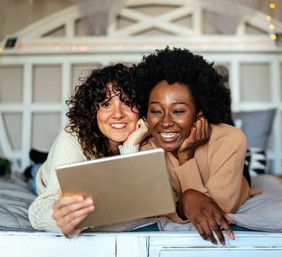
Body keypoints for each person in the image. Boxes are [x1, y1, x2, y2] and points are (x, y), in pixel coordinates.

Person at [131, 47, 261, 246]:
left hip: (232, 171)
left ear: (198, 114)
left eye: (178, 110)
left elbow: (220, 207)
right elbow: (156, 208)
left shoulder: (232, 140)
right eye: (156, 110)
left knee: (222, 133)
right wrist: (187, 200)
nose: (165, 122)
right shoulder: (144, 147)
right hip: (204, 157)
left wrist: (186, 157)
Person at [28, 63, 149, 235]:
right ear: (93, 110)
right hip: (43, 177)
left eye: (128, 102)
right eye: (106, 104)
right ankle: (37, 163)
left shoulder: (146, 135)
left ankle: (42, 157)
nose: (118, 114)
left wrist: (130, 147)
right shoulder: (73, 137)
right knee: (36, 170)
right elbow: (40, 210)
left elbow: (131, 198)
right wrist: (62, 220)